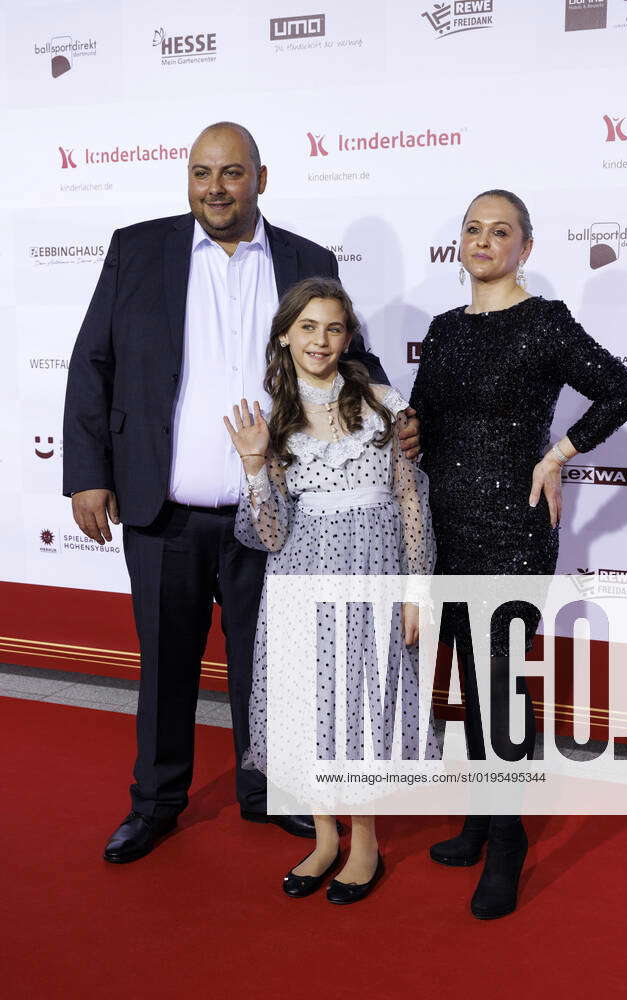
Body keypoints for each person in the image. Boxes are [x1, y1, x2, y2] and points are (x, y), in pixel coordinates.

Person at [63, 121, 420, 864]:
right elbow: (91, 362)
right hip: (165, 508)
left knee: (276, 664)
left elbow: (348, 351)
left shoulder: (305, 259)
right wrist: (88, 473)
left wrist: (398, 417)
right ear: (188, 178)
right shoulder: (138, 248)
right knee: (165, 666)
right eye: (201, 173)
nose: (214, 188)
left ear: (261, 177)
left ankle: (271, 792)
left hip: (276, 512)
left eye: (231, 173)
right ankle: (156, 804)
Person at [410, 188, 627, 919]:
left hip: (511, 534)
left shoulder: (543, 322)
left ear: (525, 248)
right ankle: (481, 818)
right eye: (472, 229)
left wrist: (559, 454)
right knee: (472, 687)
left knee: (499, 687)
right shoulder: (444, 331)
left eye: (499, 230)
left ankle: (506, 839)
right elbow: (425, 427)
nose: (483, 240)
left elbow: (620, 391)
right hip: (447, 529)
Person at [224, 277, 437, 903]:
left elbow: (409, 500)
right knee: (309, 710)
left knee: (362, 707)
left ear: (348, 337)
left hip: (373, 572)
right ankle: (323, 839)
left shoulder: (380, 404)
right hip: (300, 574)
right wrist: (255, 466)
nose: (321, 340)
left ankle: (364, 842)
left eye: (334, 328)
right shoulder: (270, 418)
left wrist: (417, 589)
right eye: (308, 327)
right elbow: (267, 533)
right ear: (285, 334)